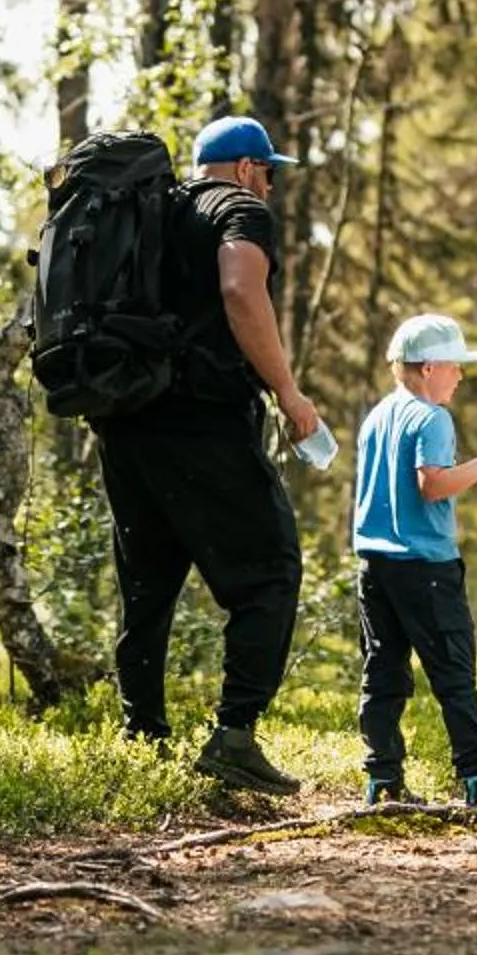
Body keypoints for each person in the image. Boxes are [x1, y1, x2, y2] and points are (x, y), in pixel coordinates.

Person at [89, 113, 323, 794]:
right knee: (272, 571)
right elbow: (238, 289)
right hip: (202, 422)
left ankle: (142, 736)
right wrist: (287, 391)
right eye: (271, 173)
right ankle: (234, 735)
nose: (272, 187)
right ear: (249, 168)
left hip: (125, 421)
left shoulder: (150, 211)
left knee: (148, 585)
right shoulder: (239, 207)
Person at [349, 314, 477, 809]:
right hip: (426, 568)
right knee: (453, 674)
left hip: (374, 566)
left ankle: (383, 782)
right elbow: (433, 485)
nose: (460, 376)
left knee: (382, 673)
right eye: (455, 366)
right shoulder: (432, 419)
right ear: (428, 368)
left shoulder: (378, 415)